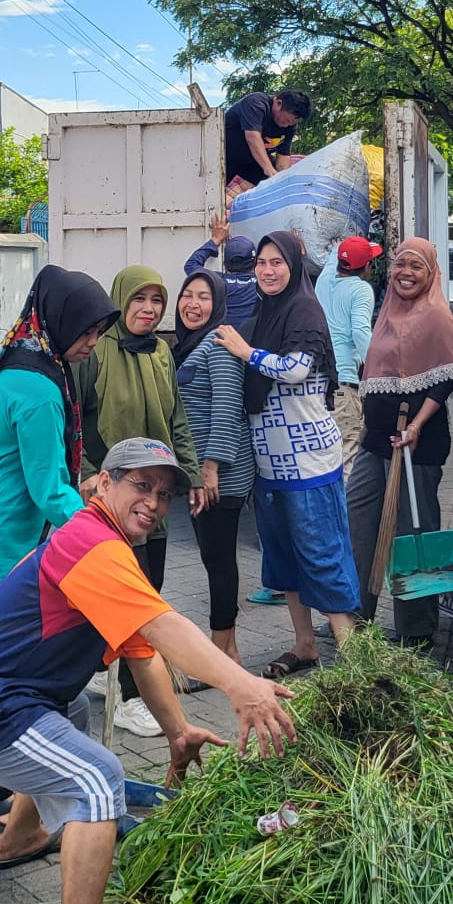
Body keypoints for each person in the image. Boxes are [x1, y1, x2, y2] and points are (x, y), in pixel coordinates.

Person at [0, 437, 297, 904]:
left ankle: (21, 837)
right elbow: (165, 626)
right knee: (99, 779)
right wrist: (242, 685)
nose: (154, 502)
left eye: (164, 494)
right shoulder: (89, 542)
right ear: (105, 483)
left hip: (1, 696)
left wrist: (179, 732)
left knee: (71, 713)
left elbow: (144, 655)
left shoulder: (107, 550)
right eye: (141, 485)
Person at [0, 267, 119, 827]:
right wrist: (99, 532)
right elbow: (46, 485)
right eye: (87, 331)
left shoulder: (22, 360)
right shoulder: (37, 386)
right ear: (62, 323)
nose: (91, 344)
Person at [213, 231, 357, 677]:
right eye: (261, 262)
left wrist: (244, 350)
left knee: (321, 553)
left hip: (309, 462)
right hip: (270, 462)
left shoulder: (304, 311)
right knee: (283, 557)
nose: (268, 270)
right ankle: (305, 644)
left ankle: (355, 658)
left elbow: (295, 370)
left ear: (294, 266)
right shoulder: (262, 311)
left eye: (277, 262)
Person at [73, 265, 203, 737]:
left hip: (154, 498)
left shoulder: (161, 353)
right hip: (112, 500)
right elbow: (77, 419)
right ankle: (130, 696)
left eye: (156, 301)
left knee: (150, 587)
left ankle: (119, 676)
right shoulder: (96, 352)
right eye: (139, 300)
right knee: (126, 596)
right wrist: (88, 476)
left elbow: (176, 417)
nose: (148, 310)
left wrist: (190, 472)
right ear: (121, 300)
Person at [345, 237, 453, 646]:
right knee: (358, 520)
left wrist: (417, 424)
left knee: (411, 530)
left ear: (431, 274)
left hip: (418, 442)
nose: (406, 274)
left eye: (416, 267)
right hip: (377, 439)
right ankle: (354, 617)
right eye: (400, 265)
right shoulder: (386, 313)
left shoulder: (436, 316)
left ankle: (415, 629)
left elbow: (448, 375)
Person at [173, 269, 255, 664]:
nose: (193, 304)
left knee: (219, 559)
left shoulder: (219, 344)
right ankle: (230, 650)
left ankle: (220, 653)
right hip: (204, 475)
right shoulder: (193, 344)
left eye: (204, 297)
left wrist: (209, 469)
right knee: (212, 557)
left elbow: (227, 409)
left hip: (219, 477)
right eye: (187, 295)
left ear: (218, 302)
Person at [315, 234, 383, 482]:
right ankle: (347, 520)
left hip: (321, 383)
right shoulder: (361, 289)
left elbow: (335, 254)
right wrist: (378, 373)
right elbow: (360, 332)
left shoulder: (323, 281)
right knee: (347, 456)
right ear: (366, 266)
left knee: (323, 457)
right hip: (345, 384)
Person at [183, 214, 259, 332]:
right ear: (255, 262)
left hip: (224, 342)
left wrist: (215, 240)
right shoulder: (264, 284)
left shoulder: (218, 282)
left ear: (225, 262)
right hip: (254, 344)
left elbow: (191, 266)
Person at [223, 89, 311, 186]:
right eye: (286, 120)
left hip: (251, 162)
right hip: (223, 156)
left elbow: (283, 156)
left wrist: (281, 179)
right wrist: (269, 170)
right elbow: (252, 137)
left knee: (277, 184)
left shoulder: (290, 126)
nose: (286, 125)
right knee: (211, 192)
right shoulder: (256, 103)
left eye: (291, 123)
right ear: (278, 103)